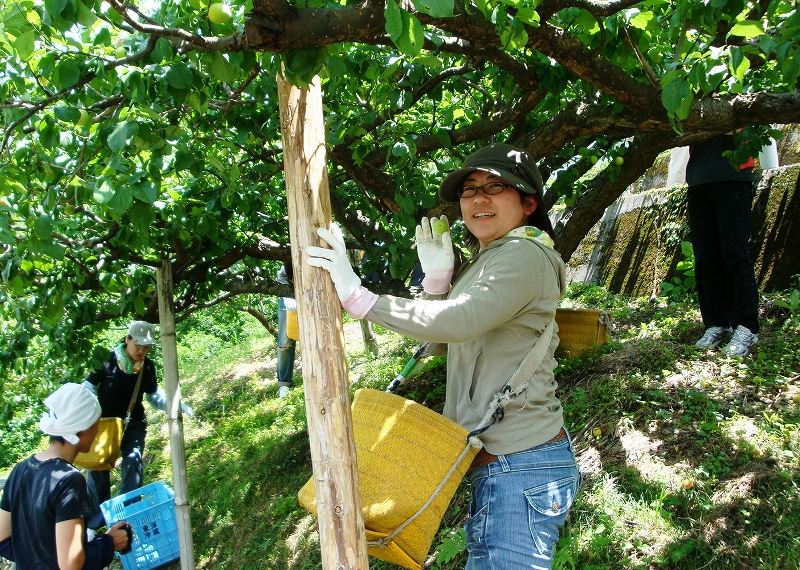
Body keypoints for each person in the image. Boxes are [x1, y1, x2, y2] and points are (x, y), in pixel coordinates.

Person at [306, 143, 581, 570]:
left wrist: (360, 298)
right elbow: (446, 342)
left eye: (496, 187)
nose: (479, 198)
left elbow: (460, 321)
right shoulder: (493, 258)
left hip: (521, 462)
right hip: (506, 462)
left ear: (529, 203)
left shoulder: (524, 255)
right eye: (469, 190)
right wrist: (437, 285)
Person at [0, 383, 131, 569]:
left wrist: (37, 558)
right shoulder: (68, 481)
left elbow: (2, 538)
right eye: (96, 423)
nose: (97, 431)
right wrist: (109, 543)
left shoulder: (20, 470)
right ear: (82, 428)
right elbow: (70, 564)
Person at [82, 320, 190, 529]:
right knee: (98, 470)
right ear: (127, 339)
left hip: (133, 423)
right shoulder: (106, 359)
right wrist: (87, 412)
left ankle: (129, 517)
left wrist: (176, 405)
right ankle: (94, 524)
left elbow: (153, 395)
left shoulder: (147, 367)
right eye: (138, 344)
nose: (142, 350)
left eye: (146, 346)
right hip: (104, 425)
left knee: (133, 461)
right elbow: (89, 386)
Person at [686, 134, 760, 357]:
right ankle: (716, 322)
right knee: (705, 257)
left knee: (735, 252)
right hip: (698, 180)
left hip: (732, 176)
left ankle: (747, 326)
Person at [276, 264, 298, 398]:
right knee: (285, 340)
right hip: (288, 294)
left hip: (314, 291)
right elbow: (281, 276)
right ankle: (284, 383)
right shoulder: (287, 260)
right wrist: (287, 296)